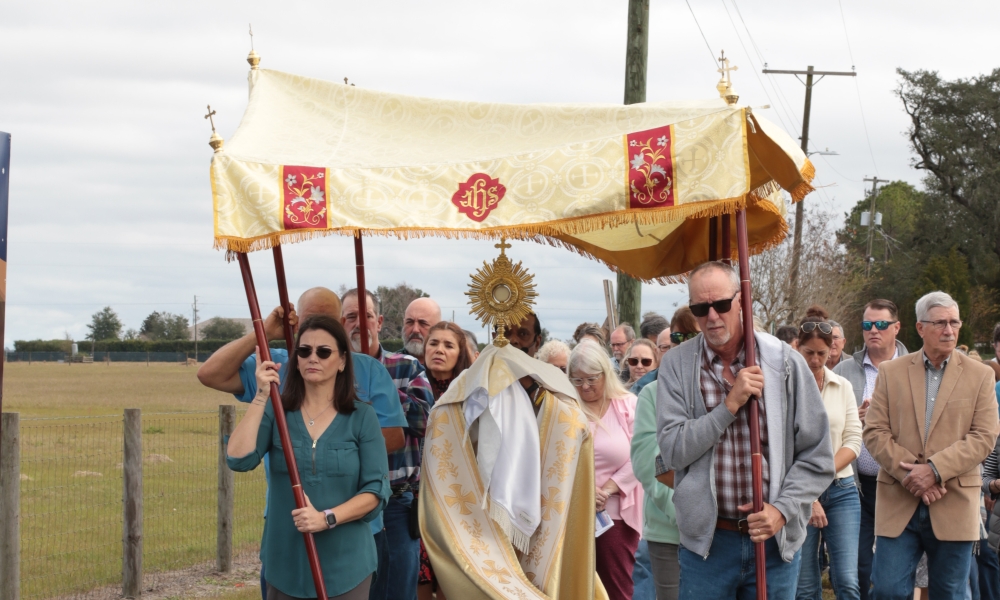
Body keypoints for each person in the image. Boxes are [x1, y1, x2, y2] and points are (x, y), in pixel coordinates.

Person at [197, 287, 406, 600]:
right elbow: (239, 459)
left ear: (342, 360)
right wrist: (262, 393)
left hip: (347, 562)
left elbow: (376, 489)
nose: (312, 358)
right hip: (285, 558)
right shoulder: (277, 407)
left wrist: (326, 518)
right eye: (304, 351)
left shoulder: (362, 413)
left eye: (324, 352)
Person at [656, 261, 834, 599]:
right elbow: (673, 451)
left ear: (741, 301)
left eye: (721, 304)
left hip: (772, 544)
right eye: (700, 308)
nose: (712, 316)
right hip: (707, 547)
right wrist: (728, 407)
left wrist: (781, 510)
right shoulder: (678, 365)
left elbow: (818, 455)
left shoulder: (784, 362)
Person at [864, 291, 999, 599]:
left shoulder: (981, 375)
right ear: (920, 327)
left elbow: (984, 435)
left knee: (949, 593)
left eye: (954, 322)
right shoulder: (891, 372)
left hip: (953, 501)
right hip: (899, 500)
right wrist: (913, 474)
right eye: (940, 323)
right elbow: (874, 431)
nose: (949, 330)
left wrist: (935, 470)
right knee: (887, 590)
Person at [341, 289, 434, 600]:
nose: (359, 323)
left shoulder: (406, 367)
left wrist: (378, 385)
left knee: (396, 592)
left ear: (379, 322)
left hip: (394, 504)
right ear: (341, 323)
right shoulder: (331, 370)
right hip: (344, 503)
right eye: (351, 317)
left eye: (366, 315)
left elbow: (425, 422)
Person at [833, 299, 908, 600]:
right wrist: (855, 415)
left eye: (881, 324)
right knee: (858, 567)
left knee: (896, 570)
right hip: (857, 486)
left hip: (902, 485)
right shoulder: (843, 370)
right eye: (867, 324)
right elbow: (829, 422)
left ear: (896, 327)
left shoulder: (915, 367)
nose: (873, 330)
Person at [792, 313, 863, 600]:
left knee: (847, 580)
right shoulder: (785, 389)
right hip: (799, 493)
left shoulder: (842, 386)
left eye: (822, 353)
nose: (815, 360)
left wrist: (822, 474)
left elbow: (853, 440)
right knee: (806, 585)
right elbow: (783, 449)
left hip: (842, 489)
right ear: (797, 348)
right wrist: (810, 494)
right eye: (808, 352)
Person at [568, 340, 642, 600]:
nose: (585, 387)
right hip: (572, 512)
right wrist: (585, 491)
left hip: (615, 514)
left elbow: (642, 455)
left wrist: (606, 491)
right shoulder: (564, 408)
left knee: (617, 590)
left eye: (591, 379)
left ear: (605, 374)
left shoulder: (628, 405)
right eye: (577, 380)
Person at [418, 321, 474, 600]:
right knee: (418, 577)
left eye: (448, 345)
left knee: (453, 578)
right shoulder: (411, 389)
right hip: (417, 499)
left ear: (460, 353)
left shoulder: (471, 396)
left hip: (458, 500)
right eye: (434, 343)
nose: (439, 350)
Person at [631, 376, 680, 600]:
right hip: (669, 532)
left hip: (726, 531)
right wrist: (685, 514)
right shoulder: (653, 392)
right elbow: (646, 461)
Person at [632, 306, 700, 395]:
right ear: (656, 351)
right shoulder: (645, 389)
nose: (684, 343)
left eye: (693, 336)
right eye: (677, 337)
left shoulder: (715, 378)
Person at [403, 298, 442, 364]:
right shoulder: (390, 366)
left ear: (438, 328)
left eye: (423, 323)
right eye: (410, 322)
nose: (415, 330)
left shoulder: (452, 367)